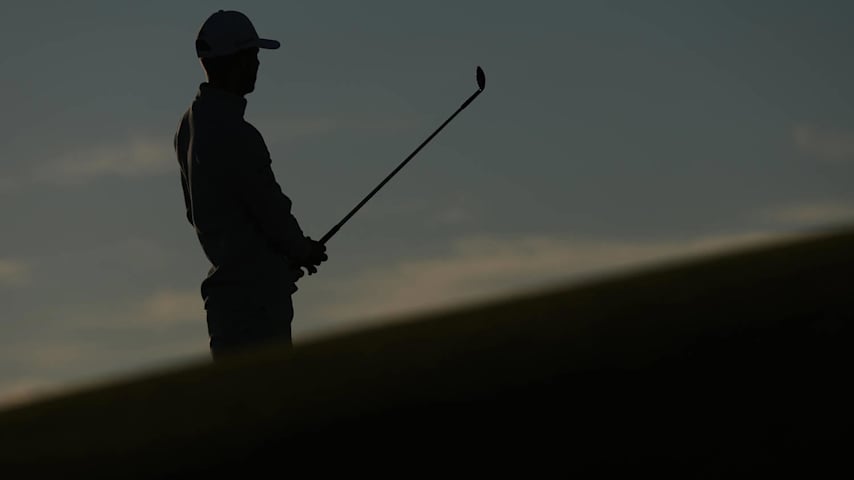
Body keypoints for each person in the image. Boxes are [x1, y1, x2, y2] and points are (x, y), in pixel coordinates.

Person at [174, 10, 327, 360]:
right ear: (235, 60)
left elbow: (193, 213)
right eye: (253, 56)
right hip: (256, 303)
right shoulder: (238, 134)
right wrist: (299, 249)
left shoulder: (188, 127)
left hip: (225, 305)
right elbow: (268, 207)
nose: (258, 65)